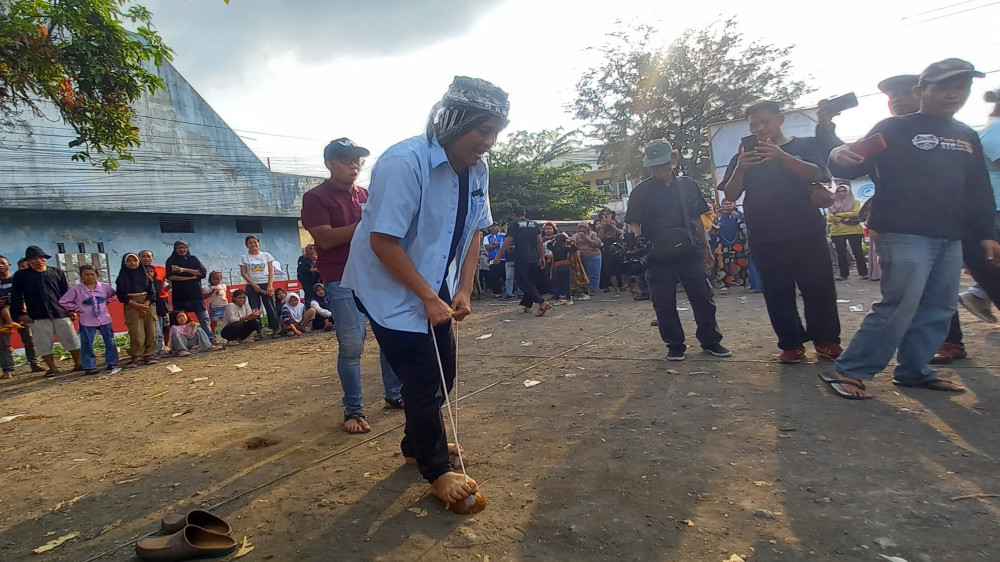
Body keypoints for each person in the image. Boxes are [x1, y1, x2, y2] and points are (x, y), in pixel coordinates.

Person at [343, 76, 507, 507]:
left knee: (444, 374)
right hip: (386, 286)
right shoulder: (404, 161)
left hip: (435, 285)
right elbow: (383, 243)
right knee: (421, 379)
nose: (488, 142)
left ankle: (415, 444)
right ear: (457, 123)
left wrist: (464, 289)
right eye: (483, 131)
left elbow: (475, 231)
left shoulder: (477, 168)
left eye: (495, 133)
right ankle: (435, 469)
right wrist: (426, 297)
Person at [821, 58, 1000, 399]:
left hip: (950, 235)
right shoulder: (893, 128)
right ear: (922, 91)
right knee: (900, 303)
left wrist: (986, 234)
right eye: (943, 87)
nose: (953, 95)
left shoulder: (966, 136)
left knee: (940, 306)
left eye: (961, 88)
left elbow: (977, 189)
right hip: (903, 232)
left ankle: (914, 370)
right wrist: (837, 153)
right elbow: (851, 162)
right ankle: (851, 370)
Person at [720, 100, 842, 364]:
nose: (760, 128)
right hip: (764, 234)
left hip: (806, 230)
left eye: (765, 121)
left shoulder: (803, 146)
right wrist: (741, 167)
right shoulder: (742, 158)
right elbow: (730, 194)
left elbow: (818, 174)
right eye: (754, 125)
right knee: (777, 293)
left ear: (780, 119)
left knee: (819, 288)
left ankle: (826, 341)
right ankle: (791, 344)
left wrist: (780, 155)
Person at [301, 136, 404, 433]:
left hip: (374, 275)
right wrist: (368, 221)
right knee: (351, 345)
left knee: (390, 336)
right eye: (346, 160)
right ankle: (353, 410)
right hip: (340, 277)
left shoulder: (366, 195)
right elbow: (326, 239)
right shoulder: (316, 197)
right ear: (329, 164)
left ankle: (395, 395)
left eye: (357, 161)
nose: (354, 166)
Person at [627, 139, 730, 361]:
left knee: (703, 298)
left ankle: (711, 340)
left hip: (689, 249)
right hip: (656, 254)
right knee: (663, 302)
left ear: (673, 160)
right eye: (654, 165)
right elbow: (634, 222)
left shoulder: (688, 185)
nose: (658, 169)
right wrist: (637, 242)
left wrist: (707, 250)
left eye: (662, 164)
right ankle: (675, 344)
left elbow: (697, 220)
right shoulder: (640, 192)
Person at [932, 85, 1000, 363]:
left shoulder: (966, 131)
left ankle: (978, 295)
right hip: (986, 214)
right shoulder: (994, 130)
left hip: (978, 216)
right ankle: (950, 339)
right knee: (941, 281)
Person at [11, 246, 82, 376]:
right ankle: (52, 368)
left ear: (45, 259)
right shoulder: (21, 276)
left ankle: (78, 363)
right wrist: (20, 314)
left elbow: (66, 293)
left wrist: (72, 309)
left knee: (71, 339)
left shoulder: (57, 272)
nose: (38, 261)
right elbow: (16, 296)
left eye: (41, 258)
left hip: (60, 312)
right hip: (37, 315)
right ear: (28, 261)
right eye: (33, 259)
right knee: (42, 343)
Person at [58, 264, 121, 376]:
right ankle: (89, 366)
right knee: (87, 343)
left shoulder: (104, 287)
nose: (90, 277)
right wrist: (77, 308)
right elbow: (63, 302)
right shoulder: (76, 290)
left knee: (109, 341)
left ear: (96, 274)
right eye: (86, 274)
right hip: (87, 320)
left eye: (92, 274)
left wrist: (106, 302)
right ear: (81, 276)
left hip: (104, 318)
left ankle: (112, 362)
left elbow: (113, 294)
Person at [494, 205, 550, 316]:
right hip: (534, 257)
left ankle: (542, 302)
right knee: (530, 282)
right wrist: (542, 257)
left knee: (522, 281)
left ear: (514, 214)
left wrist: (498, 256)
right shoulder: (534, 224)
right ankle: (527, 306)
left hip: (522, 257)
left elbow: (508, 241)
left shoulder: (514, 225)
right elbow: (539, 242)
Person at [0, 254, 44, 377]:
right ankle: (7, 369)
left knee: (29, 339)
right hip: (2, 315)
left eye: (3, 263)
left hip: (20, 312)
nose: (0, 266)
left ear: (9, 265)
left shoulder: (17, 279)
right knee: (3, 343)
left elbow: (27, 295)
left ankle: (34, 364)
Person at [166, 241, 213, 344]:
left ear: (187, 248)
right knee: (179, 321)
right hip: (179, 296)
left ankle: (210, 340)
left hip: (196, 295)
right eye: (179, 248)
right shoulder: (171, 260)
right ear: (175, 249)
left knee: (204, 319)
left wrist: (183, 270)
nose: (182, 250)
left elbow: (202, 272)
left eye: (184, 247)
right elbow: (171, 277)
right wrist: (191, 277)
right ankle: (181, 343)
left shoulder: (193, 259)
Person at [116, 252, 158, 367]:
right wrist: (137, 305)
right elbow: (121, 296)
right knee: (136, 331)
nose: (132, 263)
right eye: (128, 261)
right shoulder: (122, 278)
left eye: (134, 260)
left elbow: (152, 292)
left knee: (151, 329)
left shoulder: (146, 276)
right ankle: (136, 355)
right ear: (124, 263)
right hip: (131, 305)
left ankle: (150, 355)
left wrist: (145, 304)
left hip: (147, 304)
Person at [827, 182, 868, 280]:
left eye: (844, 191)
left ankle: (863, 273)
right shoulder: (832, 204)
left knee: (858, 252)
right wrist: (845, 216)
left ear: (848, 192)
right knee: (841, 254)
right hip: (837, 232)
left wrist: (838, 216)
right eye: (839, 191)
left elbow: (855, 213)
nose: (841, 193)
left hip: (854, 231)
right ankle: (843, 274)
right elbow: (829, 217)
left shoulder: (856, 202)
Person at [238, 235, 277, 337]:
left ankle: (274, 330)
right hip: (252, 286)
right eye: (250, 243)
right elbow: (243, 273)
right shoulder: (244, 257)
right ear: (246, 245)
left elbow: (271, 271)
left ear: (258, 243)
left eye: (255, 242)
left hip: (266, 283)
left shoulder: (266, 255)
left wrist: (269, 285)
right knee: (255, 309)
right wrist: (253, 284)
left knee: (270, 307)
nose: (253, 245)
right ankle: (258, 331)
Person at [709, 200, 749, 293]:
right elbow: (713, 232)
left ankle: (745, 283)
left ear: (734, 204)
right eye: (725, 204)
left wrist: (737, 219)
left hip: (738, 243)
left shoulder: (740, 214)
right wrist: (715, 220)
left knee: (742, 263)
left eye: (730, 203)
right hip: (723, 243)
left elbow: (744, 229)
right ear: (722, 205)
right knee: (724, 265)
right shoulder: (719, 216)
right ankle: (725, 285)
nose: (728, 206)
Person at [139, 250, 170, 357]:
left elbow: (168, 282)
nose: (146, 258)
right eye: (143, 256)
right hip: (143, 304)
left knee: (163, 327)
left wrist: (167, 288)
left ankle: (162, 348)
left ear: (152, 258)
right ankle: (147, 351)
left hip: (161, 303)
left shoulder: (160, 270)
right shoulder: (135, 272)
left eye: (148, 256)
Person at [597, 209, 624, 296]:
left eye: (607, 215)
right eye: (603, 215)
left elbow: (621, 233)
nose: (606, 217)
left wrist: (612, 225)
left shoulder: (617, 223)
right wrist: (602, 227)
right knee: (611, 271)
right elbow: (599, 239)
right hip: (608, 249)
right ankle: (616, 290)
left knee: (624, 268)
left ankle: (631, 288)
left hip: (619, 248)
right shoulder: (601, 226)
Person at [573, 222, 601, 299]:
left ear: (587, 228)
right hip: (581, 258)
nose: (582, 229)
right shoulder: (575, 236)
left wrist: (586, 239)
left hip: (594, 256)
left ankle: (593, 290)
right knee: (584, 275)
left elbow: (598, 244)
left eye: (584, 228)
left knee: (594, 274)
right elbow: (572, 245)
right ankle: (585, 290)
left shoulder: (593, 234)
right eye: (580, 228)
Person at [549, 233, 577, 304]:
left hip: (557, 268)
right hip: (565, 267)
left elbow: (548, 245)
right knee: (566, 283)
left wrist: (552, 240)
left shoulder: (554, 248)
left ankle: (556, 300)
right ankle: (568, 299)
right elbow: (575, 248)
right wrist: (570, 241)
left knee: (558, 284)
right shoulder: (565, 249)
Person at [483, 223, 506, 297]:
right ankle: (497, 292)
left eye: (495, 226)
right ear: (489, 228)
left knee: (505, 274)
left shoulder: (503, 235)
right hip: (492, 258)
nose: (494, 227)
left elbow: (506, 244)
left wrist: (495, 244)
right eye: (492, 226)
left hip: (503, 258)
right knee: (494, 276)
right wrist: (497, 244)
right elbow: (487, 246)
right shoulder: (487, 237)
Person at [203, 271, 228, 336]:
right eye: (214, 279)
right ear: (210, 279)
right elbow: (204, 297)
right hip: (214, 306)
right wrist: (212, 292)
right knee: (214, 322)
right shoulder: (208, 288)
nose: (216, 281)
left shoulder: (223, 286)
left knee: (225, 321)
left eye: (218, 279)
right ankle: (213, 335)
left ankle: (226, 333)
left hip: (224, 305)